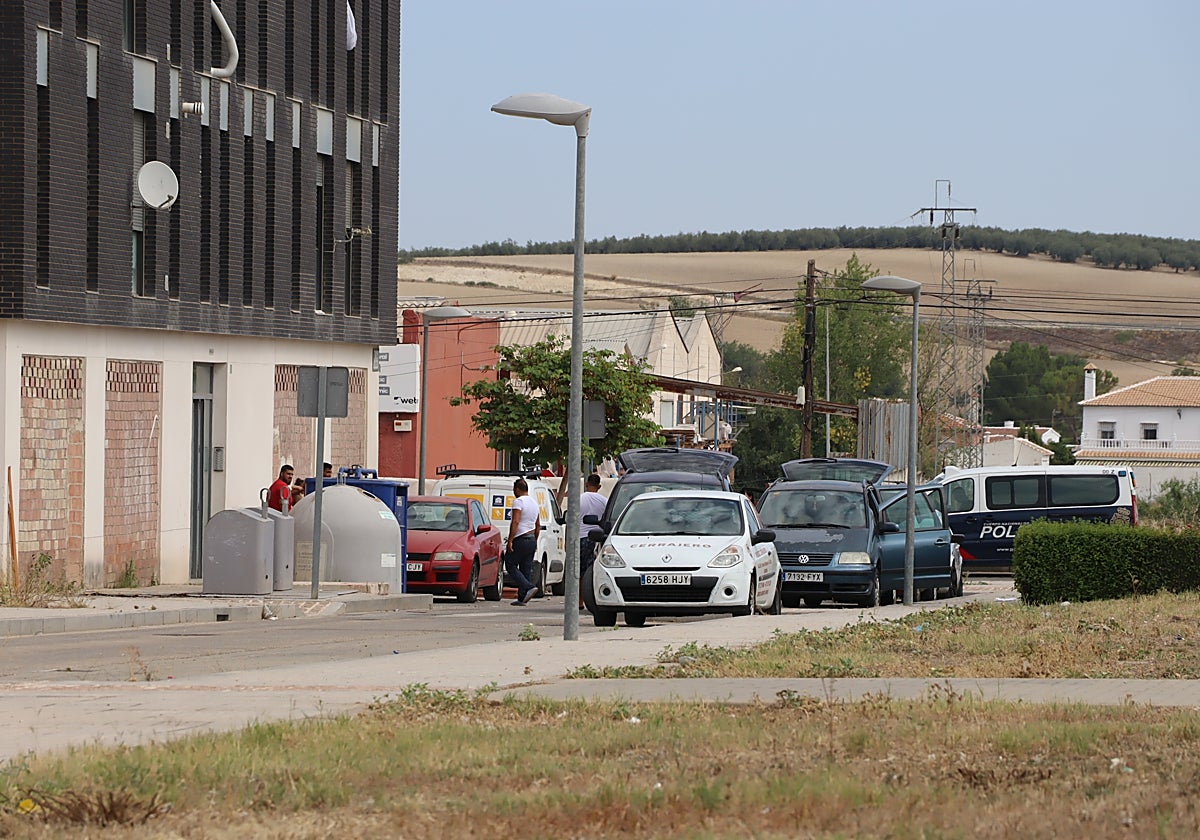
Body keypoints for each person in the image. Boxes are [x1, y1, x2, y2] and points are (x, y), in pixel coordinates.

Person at [505, 477, 542, 606]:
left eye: (514, 490)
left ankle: (528, 587)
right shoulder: (534, 503)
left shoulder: (518, 502)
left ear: (517, 489)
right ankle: (522, 598)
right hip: (531, 538)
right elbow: (538, 525)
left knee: (510, 564)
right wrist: (535, 541)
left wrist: (510, 540)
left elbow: (515, 521)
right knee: (526, 568)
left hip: (520, 537)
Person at [577, 474, 608, 609]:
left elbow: (572, 520)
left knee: (578, 571)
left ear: (586, 484)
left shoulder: (579, 499)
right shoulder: (604, 501)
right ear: (599, 486)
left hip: (580, 537)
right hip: (597, 539)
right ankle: (594, 598)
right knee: (593, 571)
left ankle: (579, 601)